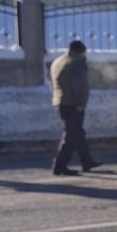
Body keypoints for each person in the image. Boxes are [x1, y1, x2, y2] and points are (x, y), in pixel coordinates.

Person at [50, 40, 101, 176]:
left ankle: (86, 161)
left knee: (77, 132)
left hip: (61, 102)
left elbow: (54, 84)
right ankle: (59, 166)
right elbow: (79, 85)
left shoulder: (58, 61)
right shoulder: (77, 62)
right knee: (71, 135)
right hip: (73, 104)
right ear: (81, 51)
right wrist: (81, 103)